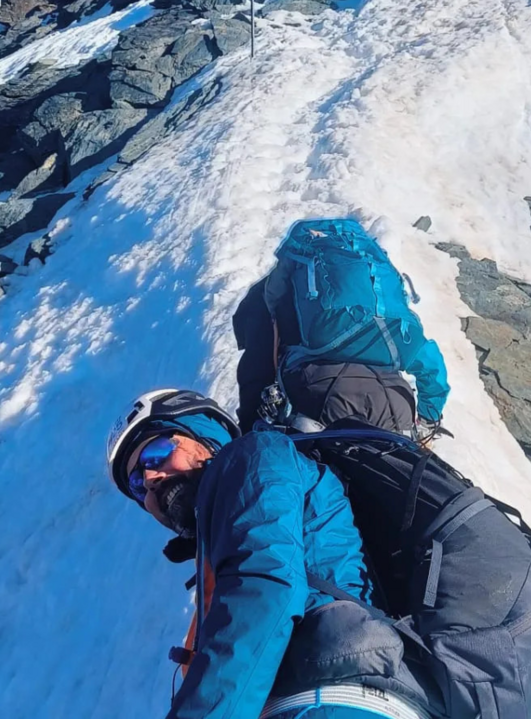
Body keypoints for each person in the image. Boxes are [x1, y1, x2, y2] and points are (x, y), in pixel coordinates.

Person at [106, 388, 434, 719]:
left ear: (204, 436)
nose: (149, 478)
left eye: (157, 452)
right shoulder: (220, 543)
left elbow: (264, 589)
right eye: (136, 482)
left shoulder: (252, 456)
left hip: (336, 695)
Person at [233, 278, 422, 436]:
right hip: (397, 400)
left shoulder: (266, 295)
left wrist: (246, 431)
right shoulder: (373, 289)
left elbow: (255, 372)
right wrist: (428, 417)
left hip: (325, 398)